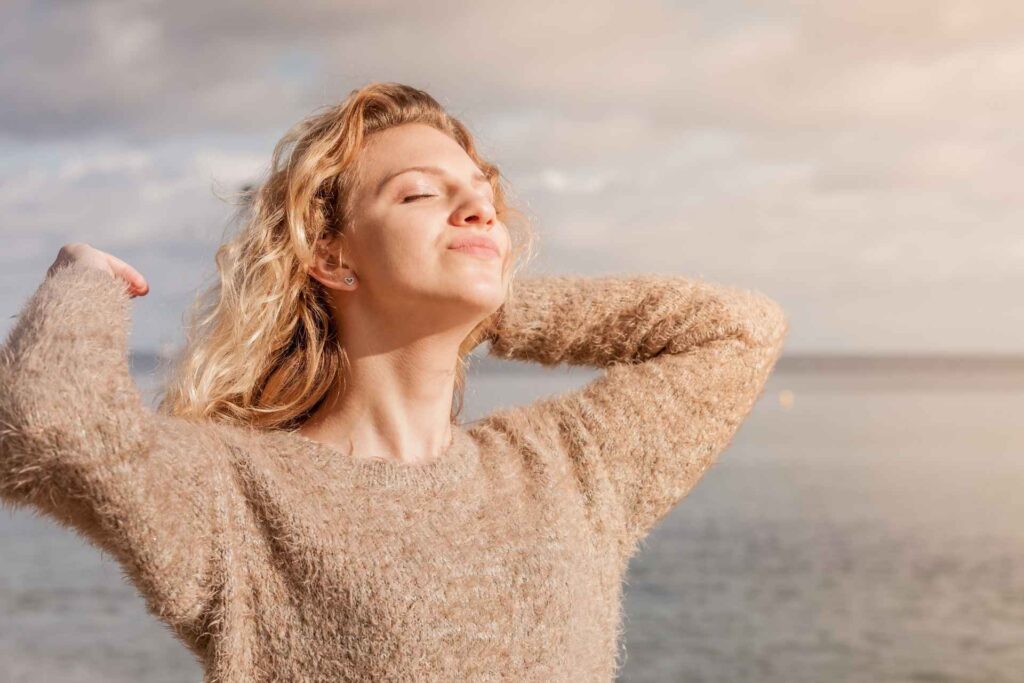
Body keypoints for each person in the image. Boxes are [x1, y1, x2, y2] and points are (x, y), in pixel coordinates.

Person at [0, 81, 789, 682]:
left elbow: (738, 329)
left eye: (482, 194)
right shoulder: (239, 495)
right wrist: (85, 278)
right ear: (332, 257)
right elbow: (43, 426)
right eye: (421, 193)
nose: (478, 206)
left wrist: (493, 301)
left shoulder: (568, 466)